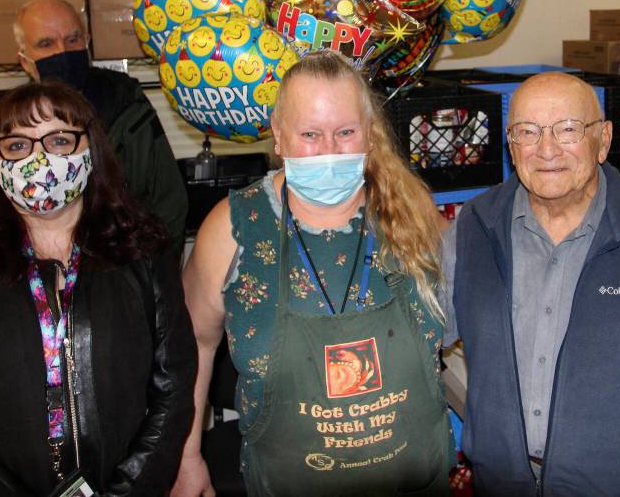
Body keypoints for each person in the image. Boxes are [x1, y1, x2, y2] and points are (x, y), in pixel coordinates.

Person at [172, 50, 452, 497]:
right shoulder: (231, 230)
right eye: (309, 134)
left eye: (345, 133)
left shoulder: (416, 218)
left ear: (369, 136)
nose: (328, 151)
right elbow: (192, 349)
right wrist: (186, 457)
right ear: (278, 138)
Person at [0, 82, 196, 495]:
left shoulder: (144, 250)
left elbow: (172, 387)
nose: (38, 159)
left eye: (59, 140)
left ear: (91, 149)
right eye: (17, 146)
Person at [442, 72, 620, 496]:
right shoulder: (471, 229)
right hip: (502, 484)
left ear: (603, 140)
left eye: (568, 130)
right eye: (527, 132)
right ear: (511, 145)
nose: (546, 150)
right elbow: (416, 337)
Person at [0, 0, 188, 247]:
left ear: (87, 43)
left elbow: (168, 200)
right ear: (24, 60)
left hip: (117, 255)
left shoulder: (123, 101)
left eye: (73, 39)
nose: (62, 52)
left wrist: (151, 271)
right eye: (46, 43)